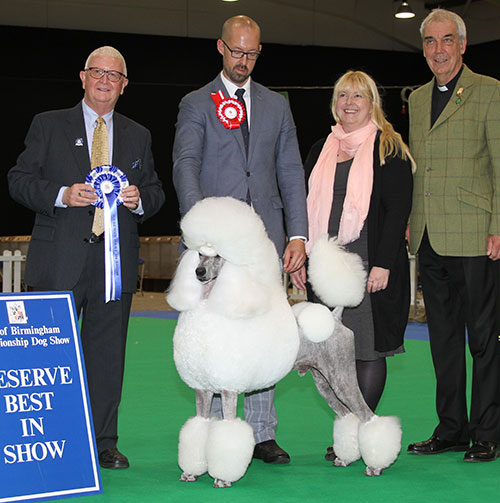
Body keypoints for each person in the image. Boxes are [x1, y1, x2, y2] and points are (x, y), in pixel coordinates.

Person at [8, 46, 165, 469]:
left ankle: (103, 442)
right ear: (82, 77)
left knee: (107, 357)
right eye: (97, 72)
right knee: (45, 359)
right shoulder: (48, 124)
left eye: (114, 76)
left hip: (114, 267)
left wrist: (136, 201)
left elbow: (155, 191)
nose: (104, 81)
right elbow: (18, 180)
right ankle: (48, 437)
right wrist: (60, 195)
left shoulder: (138, 134)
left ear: (124, 85)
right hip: (57, 260)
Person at [172, 15, 308, 464]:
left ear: (259, 52)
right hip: (215, 246)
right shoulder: (196, 103)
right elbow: (185, 164)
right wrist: (202, 229)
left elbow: (290, 171)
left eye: (250, 54)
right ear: (220, 47)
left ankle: (262, 433)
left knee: (264, 332)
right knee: (212, 336)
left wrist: (298, 234)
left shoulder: (276, 105)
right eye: (236, 52)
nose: (243, 61)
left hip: (263, 246)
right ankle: (209, 428)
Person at [290, 70, 414, 461]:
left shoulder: (388, 147)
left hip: (368, 263)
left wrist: (381, 264)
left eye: (358, 96)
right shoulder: (320, 149)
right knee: (330, 354)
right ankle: (347, 432)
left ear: (372, 102)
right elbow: (306, 206)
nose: (349, 103)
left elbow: (397, 211)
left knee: (366, 350)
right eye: (343, 95)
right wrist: (303, 255)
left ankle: (364, 430)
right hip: (324, 262)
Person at [406, 8, 500, 462]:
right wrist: (410, 216)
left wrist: (499, 225)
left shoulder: (489, 91)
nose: (438, 50)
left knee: (483, 339)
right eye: (430, 41)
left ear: (463, 45)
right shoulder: (419, 98)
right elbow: (417, 168)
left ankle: (487, 431)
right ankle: (451, 429)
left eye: (447, 40)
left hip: (476, 233)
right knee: (443, 340)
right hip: (429, 235)